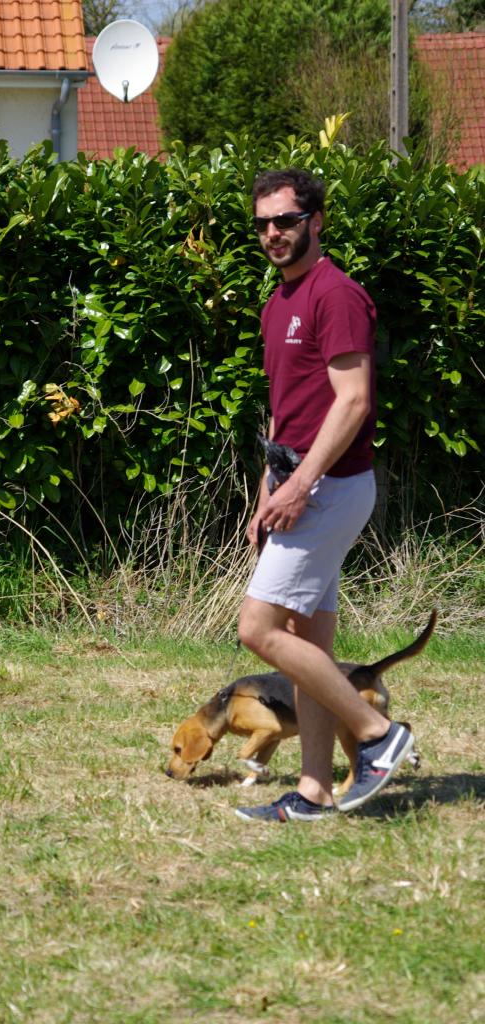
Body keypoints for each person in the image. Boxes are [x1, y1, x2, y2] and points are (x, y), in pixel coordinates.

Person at [235, 167, 413, 822]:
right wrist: (266, 492)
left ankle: (375, 733)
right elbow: (287, 412)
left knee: (258, 628)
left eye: (285, 220)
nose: (273, 233)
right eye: (263, 224)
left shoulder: (336, 295)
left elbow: (354, 401)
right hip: (297, 486)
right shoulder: (278, 302)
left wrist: (301, 485)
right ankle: (314, 791)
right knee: (307, 642)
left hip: (330, 489)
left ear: (316, 221)